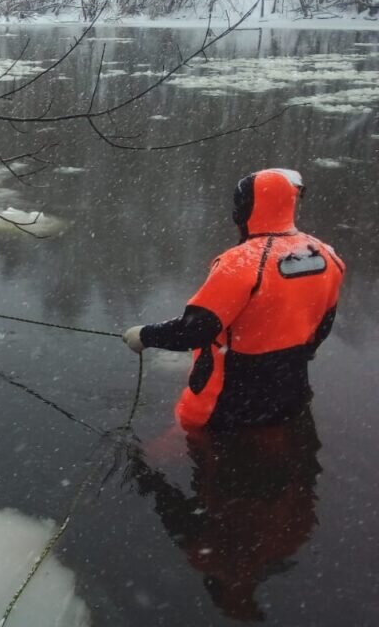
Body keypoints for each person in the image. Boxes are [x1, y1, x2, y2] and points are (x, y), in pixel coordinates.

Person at [122, 168, 344, 429]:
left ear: (245, 209)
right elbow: (323, 327)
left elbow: (194, 331)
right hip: (290, 388)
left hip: (229, 397)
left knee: (193, 446)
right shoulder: (325, 255)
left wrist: (144, 336)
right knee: (279, 448)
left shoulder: (241, 263)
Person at [126, 407, 321, 621]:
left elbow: (170, 504)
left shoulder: (284, 544)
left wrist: (144, 463)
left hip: (258, 433)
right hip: (277, 424)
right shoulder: (288, 540)